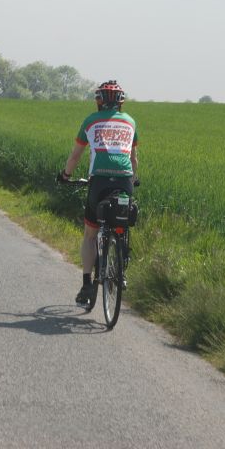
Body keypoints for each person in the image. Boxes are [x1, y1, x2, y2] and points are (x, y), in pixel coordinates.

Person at [57, 80, 138, 306]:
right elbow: (133, 159)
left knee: (90, 234)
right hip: (124, 181)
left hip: (99, 181)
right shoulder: (131, 122)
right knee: (121, 219)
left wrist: (65, 176)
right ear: (121, 102)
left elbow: (75, 157)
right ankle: (121, 266)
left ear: (99, 101)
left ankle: (86, 284)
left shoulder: (91, 121)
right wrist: (134, 178)